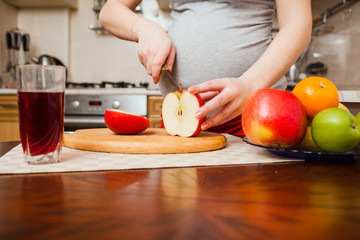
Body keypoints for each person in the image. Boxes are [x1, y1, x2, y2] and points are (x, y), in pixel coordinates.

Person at [99, 0, 312, 136]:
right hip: (181, 119)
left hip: (260, 115)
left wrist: (249, 84)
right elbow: (110, 10)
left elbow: (298, 24)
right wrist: (143, 28)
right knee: (182, 202)